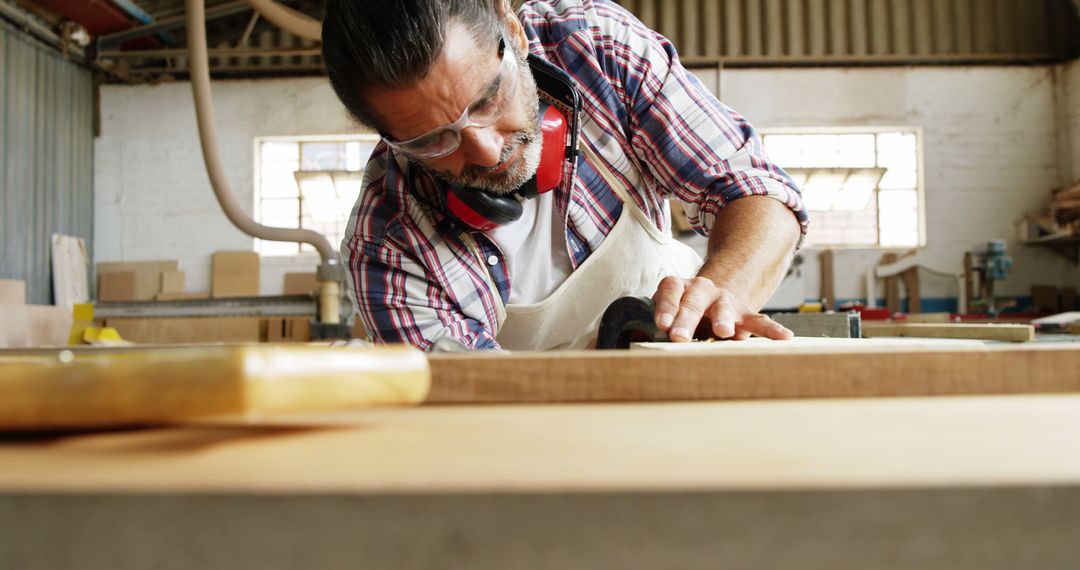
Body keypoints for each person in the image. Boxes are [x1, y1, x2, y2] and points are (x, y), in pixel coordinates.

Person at [321, 0, 808, 351]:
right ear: (388, 139)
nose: (487, 151)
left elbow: (758, 192)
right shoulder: (387, 248)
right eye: (432, 140)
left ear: (511, 29)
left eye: (489, 99)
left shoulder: (596, 50)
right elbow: (478, 422)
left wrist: (725, 288)